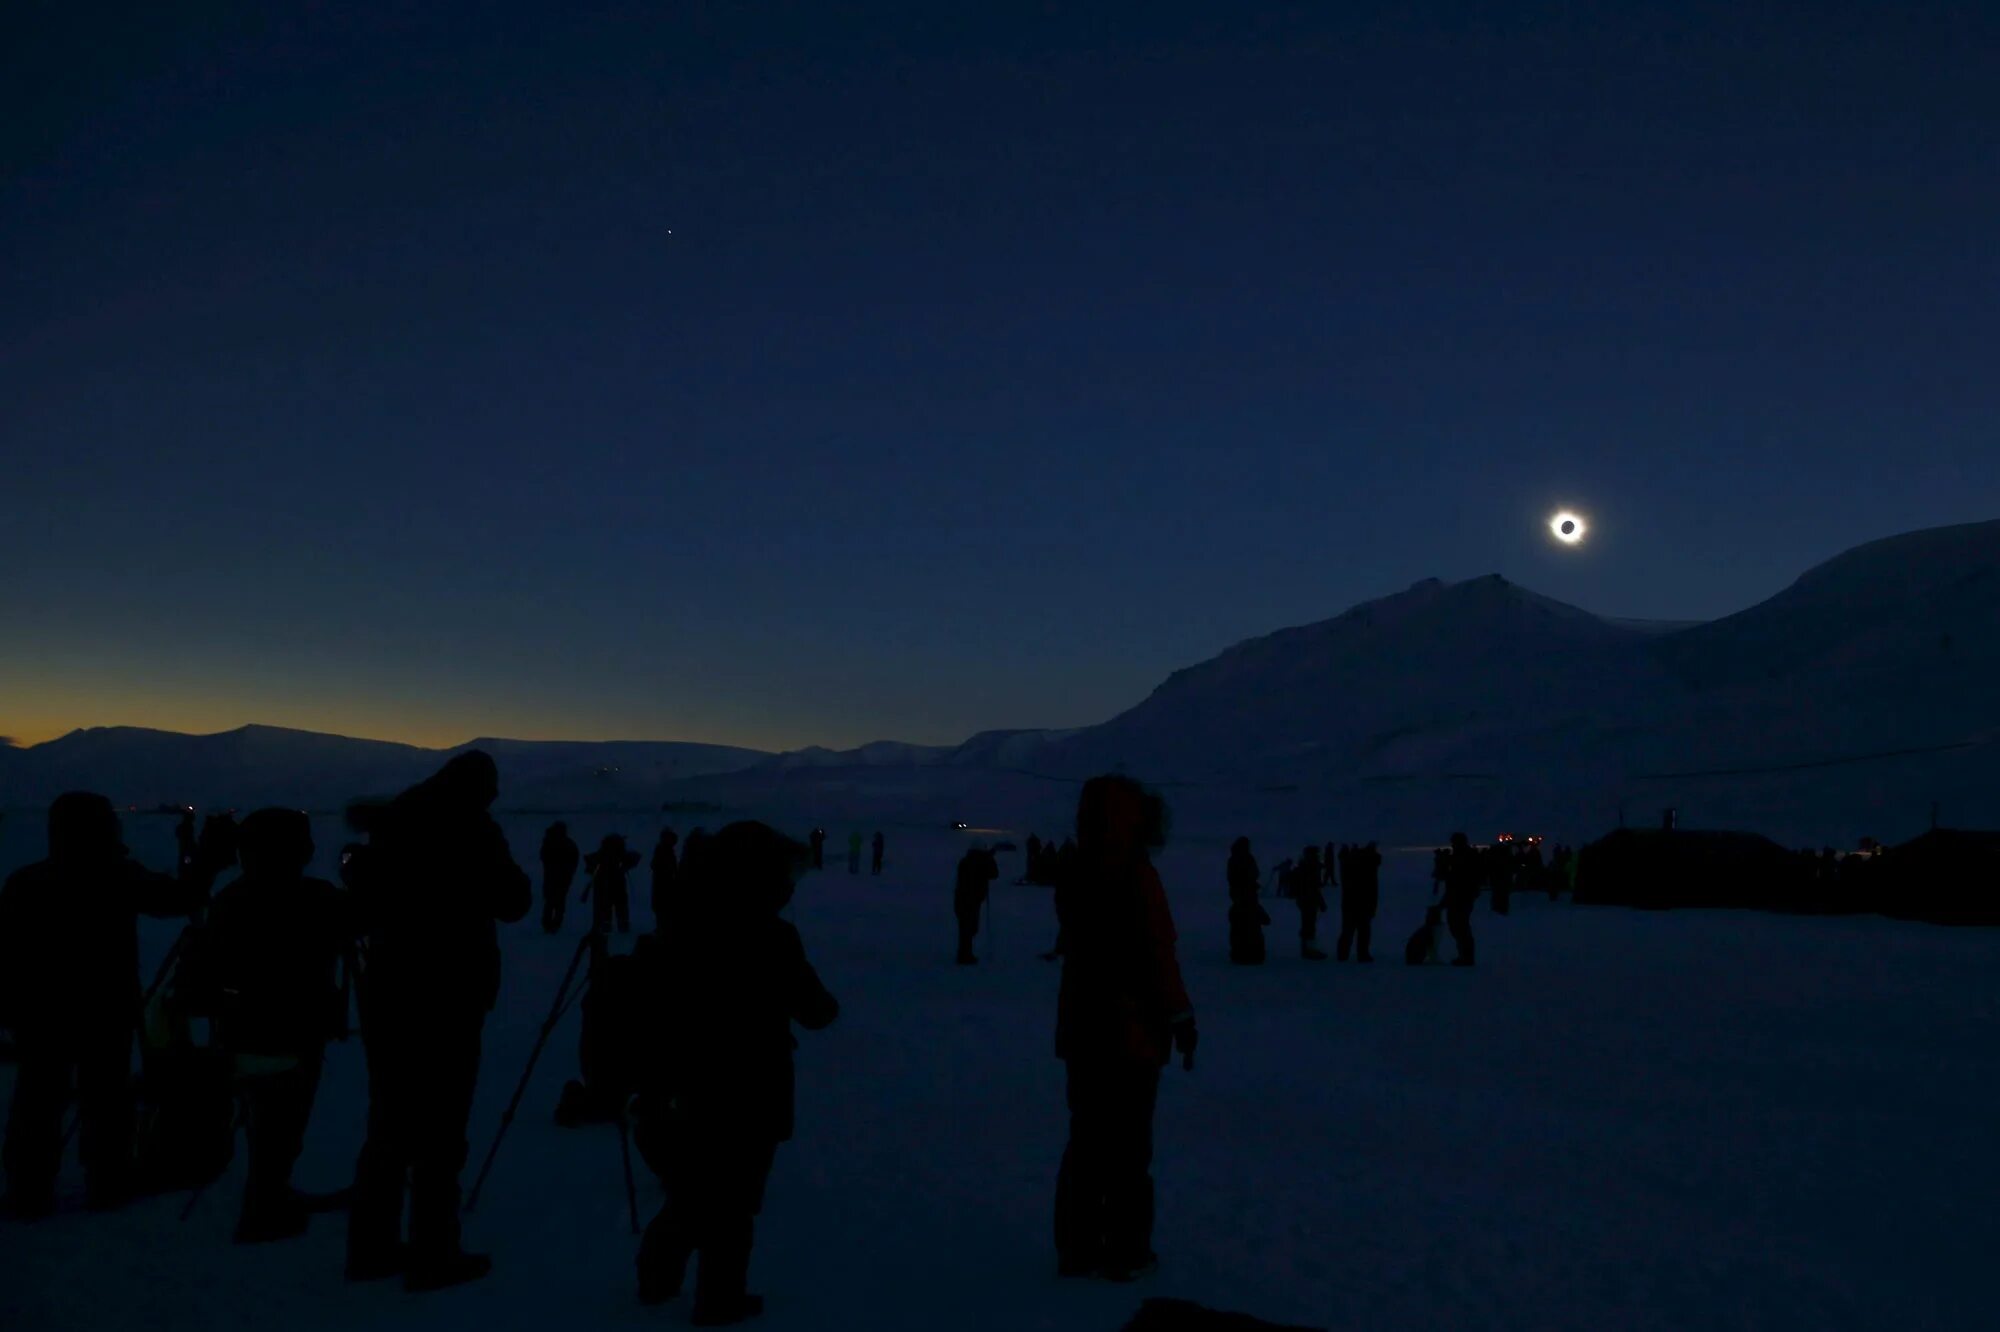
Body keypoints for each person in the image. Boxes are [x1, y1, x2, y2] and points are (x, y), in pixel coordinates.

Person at [632, 822, 838, 1323]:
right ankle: (719, 1298)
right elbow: (817, 1011)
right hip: (749, 1087)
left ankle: (657, 1278)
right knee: (734, 1201)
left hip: (685, 1084)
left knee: (692, 1190)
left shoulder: (682, 924)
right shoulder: (770, 936)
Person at [345, 751, 531, 1291]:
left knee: (390, 1119)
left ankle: (372, 1247)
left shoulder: (394, 823)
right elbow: (514, 900)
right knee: (442, 1127)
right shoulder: (471, 829)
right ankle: (434, 1253)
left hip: (387, 988)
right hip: (448, 992)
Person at [0, 792, 204, 1219]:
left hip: (40, 1015)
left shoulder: (26, 882)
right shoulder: (118, 877)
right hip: (106, 1012)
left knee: (37, 1101)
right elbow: (182, 900)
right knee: (107, 1100)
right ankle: (107, 1183)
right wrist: (198, 854)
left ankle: (27, 1192)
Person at [175, 808, 354, 1243]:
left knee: (267, 1121)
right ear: (301, 850)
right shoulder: (316, 897)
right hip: (293, 1037)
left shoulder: (229, 899)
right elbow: (362, 919)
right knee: (282, 1127)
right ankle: (264, 1210)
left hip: (237, 1034)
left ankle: (270, 1195)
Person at [1052, 775, 1195, 1282]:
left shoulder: (1075, 870)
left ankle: (1078, 1247)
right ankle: (1127, 1251)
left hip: (1082, 1027)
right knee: (1129, 1146)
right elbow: (1157, 951)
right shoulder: (1135, 875)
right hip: (1130, 1032)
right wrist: (1180, 1016)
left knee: (1087, 1140)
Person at [584, 834, 641, 935]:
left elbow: (589, 862)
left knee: (607, 905)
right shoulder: (620, 855)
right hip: (617, 884)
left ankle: (608, 925)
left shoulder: (602, 854)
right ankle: (622, 926)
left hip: (604, 885)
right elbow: (635, 857)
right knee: (620, 905)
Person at [1442, 832, 1483, 967]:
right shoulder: (1460, 855)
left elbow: (1463, 877)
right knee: (1457, 926)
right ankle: (1464, 955)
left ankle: (1466, 957)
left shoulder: (1466, 855)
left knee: (1460, 926)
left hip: (1462, 895)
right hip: (1458, 895)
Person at [1337, 841, 1381, 962]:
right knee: (1362, 930)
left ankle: (1344, 954)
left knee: (1350, 929)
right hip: (1363, 901)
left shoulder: (1349, 863)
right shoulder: (1369, 866)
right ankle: (1361, 954)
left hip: (1351, 901)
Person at [954, 846, 999, 964]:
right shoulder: (972, 863)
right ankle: (964, 955)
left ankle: (965, 953)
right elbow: (992, 873)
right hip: (967, 900)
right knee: (967, 928)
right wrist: (989, 859)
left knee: (970, 928)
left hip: (970, 901)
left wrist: (989, 859)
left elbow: (993, 874)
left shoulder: (971, 862)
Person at [1226, 837, 1266, 965]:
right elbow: (1240, 877)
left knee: (1246, 925)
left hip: (1245, 896)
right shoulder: (1241, 860)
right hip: (1244, 896)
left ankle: (1247, 953)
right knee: (1245, 925)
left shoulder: (1242, 859)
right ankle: (1246, 953)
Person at [540, 821, 580, 934]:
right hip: (560, 876)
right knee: (558, 902)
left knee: (551, 901)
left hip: (554, 876)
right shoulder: (567, 843)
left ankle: (549, 924)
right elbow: (574, 860)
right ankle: (553, 924)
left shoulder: (549, 842)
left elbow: (544, 857)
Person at [1292, 846, 1327, 960]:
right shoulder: (1310, 867)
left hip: (1305, 899)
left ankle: (1306, 949)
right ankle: (1309, 950)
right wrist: (1321, 901)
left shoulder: (1305, 866)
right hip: (1309, 899)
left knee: (1307, 924)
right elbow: (1313, 886)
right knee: (1309, 925)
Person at [651, 828, 681, 925]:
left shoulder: (665, 850)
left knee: (664, 906)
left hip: (665, 882)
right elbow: (655, 865)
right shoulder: (663, 851)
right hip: (663, 883)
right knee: (663, 906)